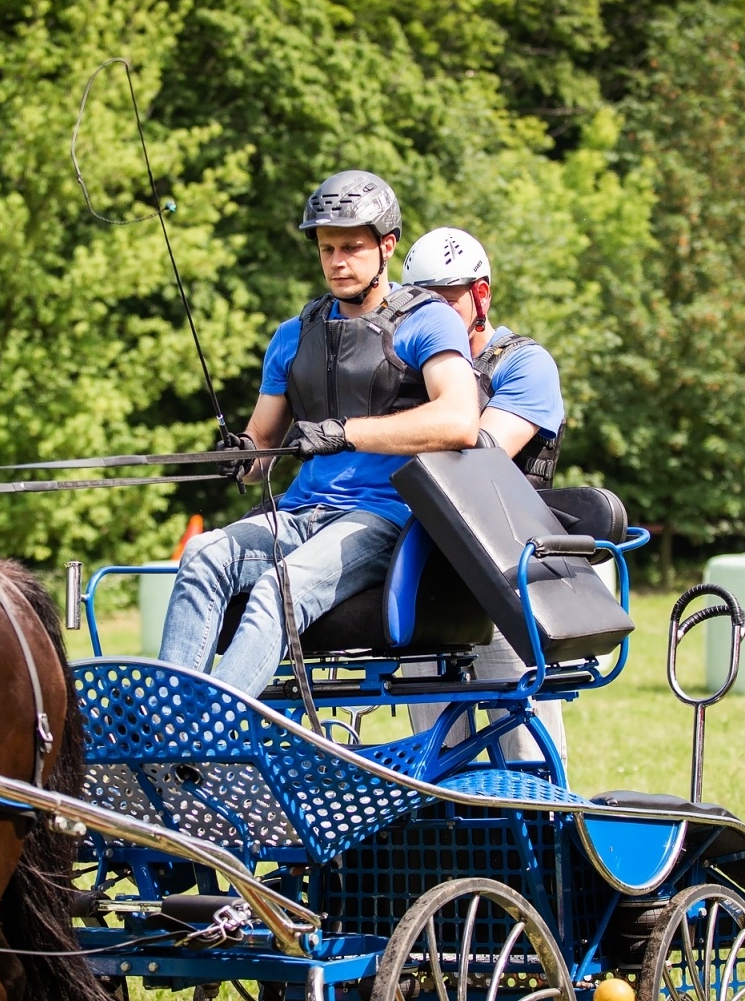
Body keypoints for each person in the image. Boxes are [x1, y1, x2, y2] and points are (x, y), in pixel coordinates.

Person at [157, 172, 479, 697]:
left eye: (351, 247)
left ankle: (211, 733)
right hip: (301, 510)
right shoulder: (292, 335)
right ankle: (171, 724)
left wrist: (346, 432)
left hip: (385, 516)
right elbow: (262, 442)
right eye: (327, 249)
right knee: (202, 554)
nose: (337, 261)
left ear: (387, 245)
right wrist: (243, 455)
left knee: (277, 590)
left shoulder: (429, 322)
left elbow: (460, 422)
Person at [399, 227, 570, 766]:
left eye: (446, 300)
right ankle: (449, 842)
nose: (434, 317)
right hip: (429, 579)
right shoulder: (408, 372)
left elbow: (476, 456)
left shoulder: (524, 365)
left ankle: (542, 841)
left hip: (506, 576)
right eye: (420, 304)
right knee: (435, 757)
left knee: (525, 751)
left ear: (481, 295)